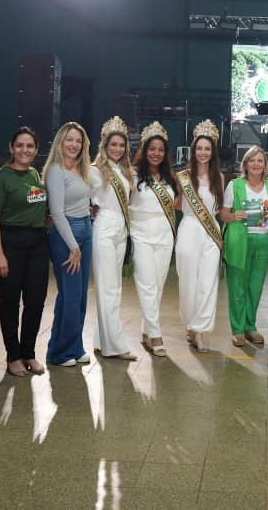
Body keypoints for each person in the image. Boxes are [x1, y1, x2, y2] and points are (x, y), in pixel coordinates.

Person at [0, 127, 49, 377]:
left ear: (36, 150)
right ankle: (13, 356)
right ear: (11, 148)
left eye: (30, 146)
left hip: (36, 245)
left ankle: (29, 353)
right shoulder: (1, 178)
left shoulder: (35, 174)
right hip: (9, 242)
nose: (25, 150)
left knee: (35, 301)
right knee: (11, 302)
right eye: (20, 145)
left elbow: (40, 210)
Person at [44, 121, 95, 367]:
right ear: (60, 142)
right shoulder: (56, 170)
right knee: (71, 295)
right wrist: (73, 246)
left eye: (78, 140)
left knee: (80, 296)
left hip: (86, 228)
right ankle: (60, 352)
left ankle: (74, 347)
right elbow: (56, 212)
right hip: (67, 235)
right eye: (69, 139)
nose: (74, 144)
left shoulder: (82, 168)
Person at [175, 120, 225, 353]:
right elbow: (174, 204)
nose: (203, 152)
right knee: (188, 282)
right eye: (199, 148)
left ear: (212, 151)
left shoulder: (220, 178)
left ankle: (200, 331)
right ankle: (190, 324)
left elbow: (220, 209)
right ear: (193, 151)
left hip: (210, 232)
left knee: (207, 282)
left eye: (207, 148)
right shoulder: (182, 177)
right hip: (189, 228)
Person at [130, 122, 179, 357]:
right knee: (147, 283)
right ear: (144, 149)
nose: (156, 153)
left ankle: (146, 329)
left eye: (160, 149)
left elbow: (176, 205)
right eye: (152, 149)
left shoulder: (170, 178)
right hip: (140, 234)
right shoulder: (133, 174)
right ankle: (156, 333)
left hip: (164, 235)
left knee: (158, 285)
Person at [91, 117, 137, 361]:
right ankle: (115, 346)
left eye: (121, 145)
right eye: (113, 145)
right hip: (104, 230)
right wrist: (91, 208)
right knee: (108, 288)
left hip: (122, 230)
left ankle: (102, 340)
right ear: (105, 146)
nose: (118, 149)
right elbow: (82, 197)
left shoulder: (126, 171)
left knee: (114, 288)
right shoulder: (95, 171)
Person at [221, 146, 268, 347]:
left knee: (255, 287)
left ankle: (250, 326)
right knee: (237, 287)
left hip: (262, 241)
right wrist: (234, 215)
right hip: (239, 240)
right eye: (252, 160)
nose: (256, 164)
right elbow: (223, 213)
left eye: (260, 161)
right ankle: (237, 330)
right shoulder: (235, 185)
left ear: (264, 165)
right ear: (245, 164)